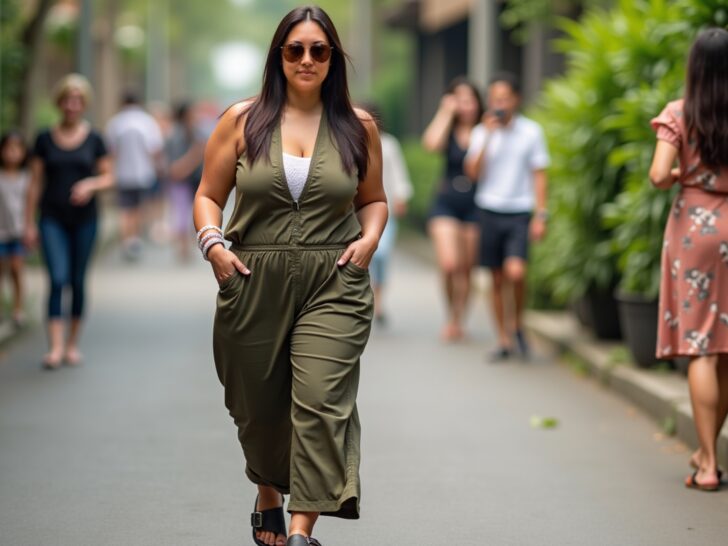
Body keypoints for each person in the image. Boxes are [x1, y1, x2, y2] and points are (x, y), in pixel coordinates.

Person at [193, 6, 386, 546]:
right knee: (258, 408)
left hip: (335, 279)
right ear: (278, 56)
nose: (306, 59)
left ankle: (301, 530)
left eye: (318, 50)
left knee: (321, 402)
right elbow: (209, 195)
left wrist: (369, 239)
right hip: (253, 276)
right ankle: (269, 490)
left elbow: (374, 201)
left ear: (333, 60)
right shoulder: (241, 119)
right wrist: (213, 248)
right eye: (295, 49)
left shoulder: (358, 126)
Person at [649, 28, 728, 492]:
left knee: (700, 344)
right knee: (727, 347)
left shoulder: (680, 114)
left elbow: (659, 175)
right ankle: (705, 449)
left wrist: (685, 173)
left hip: (695, 229)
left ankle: (707, 466)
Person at [24, 74, 113, 369]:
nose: (72, 105)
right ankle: (55, 347)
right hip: (51, 218)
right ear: (59, 102)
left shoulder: (95, 138)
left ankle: (72, 344)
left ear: (84, 104)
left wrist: (90, 185)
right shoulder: (44, 138)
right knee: (57, 278)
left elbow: (109, 176)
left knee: (76, 280)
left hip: (85, 220)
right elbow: (35, 183)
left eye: (78, 100)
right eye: (67, 100)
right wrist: (28, 223)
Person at [464, 72, 550, 362]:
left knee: (517, 272)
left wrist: (541, 214)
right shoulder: (481, 133)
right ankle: (504, 338)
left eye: (505, 97)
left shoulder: (531, 132)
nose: (499, 103)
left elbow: (539, 174)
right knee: (497, 278)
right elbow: (472, 173)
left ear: (516, 99)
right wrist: (487, 136)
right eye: (495, 98)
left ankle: (518, 323)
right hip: (489, 209)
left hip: (519, 211)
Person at [422, 78, 484, 341]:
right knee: (449, 264)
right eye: (459, 100)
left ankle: (460, 319)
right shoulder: (447, 129)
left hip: (477, 204)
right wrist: (445, 111)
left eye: (469, 100)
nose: (465, 106)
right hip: (446, 201)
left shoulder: (486, 130)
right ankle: (450, 315)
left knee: (467, 268)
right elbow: (430, 144)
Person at [362, 103, 412, 324]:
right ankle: (364, 300)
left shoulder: (389, 144)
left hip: (385, 209)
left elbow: (398, 172)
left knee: (380, 255)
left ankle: (379, 302)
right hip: (354, 213)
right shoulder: (348, 141)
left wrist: (401, 196)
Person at [105, 91, 163, 261]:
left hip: (122, 173)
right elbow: (154, 148)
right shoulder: (146, 121)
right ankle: (134, 240)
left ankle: (126, 241)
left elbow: (111, 150)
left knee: (124, 209)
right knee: (138, 208)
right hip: (143, 173)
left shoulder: (115, 123)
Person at [166, 102, 204, 262]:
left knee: (193, 215)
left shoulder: (196, 132)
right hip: (181, 182)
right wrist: (193, 158)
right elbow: (174, 166)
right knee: (181, 215)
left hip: (196, 180)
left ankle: (186, 247)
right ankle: (183, 248)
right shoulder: (176, 135)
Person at [0, 131, 30, 327]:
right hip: (1, 231)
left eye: (17, 149)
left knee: (17, 269)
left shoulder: (28, 177)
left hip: (19, 232)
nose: (12, 153)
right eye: (8, 148)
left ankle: (18, 308)